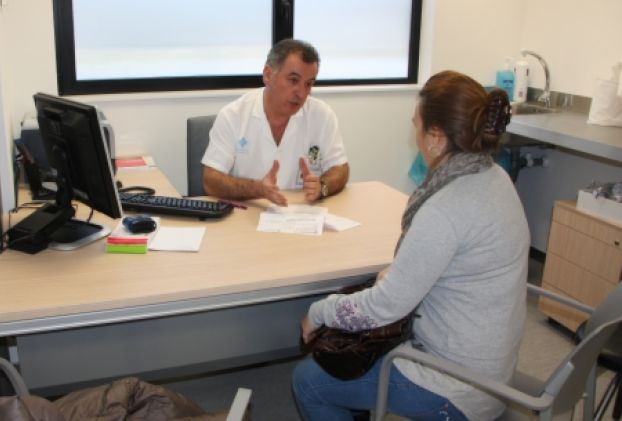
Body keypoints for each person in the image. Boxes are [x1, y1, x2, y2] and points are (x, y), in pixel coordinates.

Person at [293, 70, 529, 420]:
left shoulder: (445, 208)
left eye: (416, 123)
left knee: (308, 382)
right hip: (491, 370)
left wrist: (319, 311)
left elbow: (383, 308)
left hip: (457, 385)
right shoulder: (495, 178)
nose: (413, 132)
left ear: (435, 137)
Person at [201, 39, 349, 206]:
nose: (301, 93)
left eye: (308, 84)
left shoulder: (322, 115)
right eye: (293, 80)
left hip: (302, 214)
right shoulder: (233, 115)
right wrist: (257, 189)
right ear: (267, 74)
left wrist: (322, 187)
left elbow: (340, 169)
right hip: (250, 214)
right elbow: (210, 180)